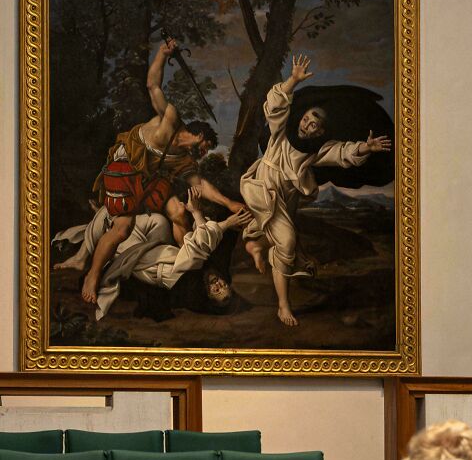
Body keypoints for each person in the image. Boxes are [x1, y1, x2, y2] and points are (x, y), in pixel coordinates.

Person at [58, 37, 249, 305]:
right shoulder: (170, 119)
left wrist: (229, 202)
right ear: (198, 134)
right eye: (205, 147)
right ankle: (91, 273)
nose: (204, 154)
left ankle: (189, 264)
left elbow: (200, 183)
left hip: (148, 179)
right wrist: (162, 53)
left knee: (180, 212)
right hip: (125, 166)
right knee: (122, 228)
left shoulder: (183, 160)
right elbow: (152, 85)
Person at [240, 54, 391, 326]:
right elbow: (274, 107)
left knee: (282, 235)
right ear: (302, 116)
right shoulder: (281, 133)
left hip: (289, 195)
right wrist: (293, 80)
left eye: (316, 124)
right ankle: (283, 306)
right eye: (309, 118)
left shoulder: (317, 150)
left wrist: (366, 147)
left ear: (321, 131)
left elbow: (342, 153)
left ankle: (255, 246)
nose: (310, 124)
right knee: (286, 241)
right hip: (265, 187)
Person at [53, 187, 244, 320]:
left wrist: (200, 214)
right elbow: (200, 242)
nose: (218, 284)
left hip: (147, 261)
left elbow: (198, 246)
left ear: (208, 297)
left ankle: (98, 229)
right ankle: (106, 218)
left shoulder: (191, 284)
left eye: (217, 291)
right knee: (158, 221)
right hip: (160, 246)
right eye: (224, 285)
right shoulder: (211, 270)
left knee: (120, 234)